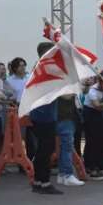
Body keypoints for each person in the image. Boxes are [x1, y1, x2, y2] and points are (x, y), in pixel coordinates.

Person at [29, 42, 63, 195]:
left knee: (43, 149)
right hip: (44, 115)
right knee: (46, 150)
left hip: (44, 114)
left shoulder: (42, 67)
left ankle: (38, 181)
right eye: (52, 51)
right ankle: (44, 182)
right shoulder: (43, 67)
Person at [56, 94, 85, 186]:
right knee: (67, 147)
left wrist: (83, 86)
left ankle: (62, 174)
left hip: (65, 118)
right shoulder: (63, 84)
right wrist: (76, 88)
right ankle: (68, 175)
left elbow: (83, 91)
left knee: (64, 148)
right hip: (65, 118)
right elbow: (66, 96)